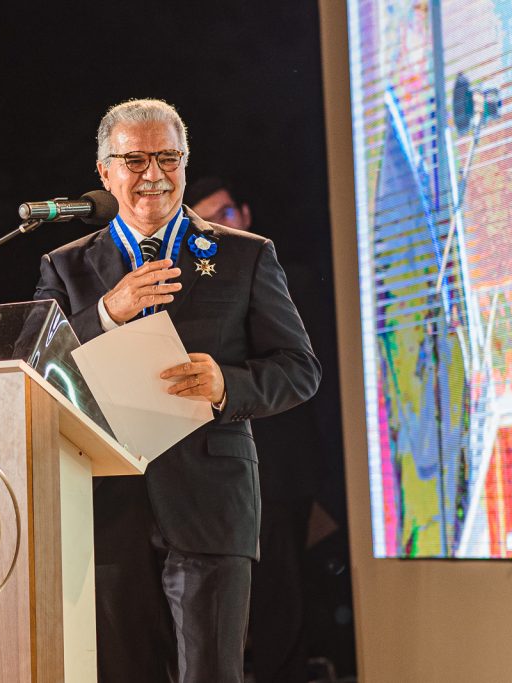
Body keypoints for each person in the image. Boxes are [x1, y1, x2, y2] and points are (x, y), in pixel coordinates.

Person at [34, 98, 320, 683]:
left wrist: (227, 385)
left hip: (210, 503)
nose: (154, 175)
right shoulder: (67, 266)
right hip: (105, 506)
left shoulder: (246, 254)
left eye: (168, 158)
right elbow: (37, 370)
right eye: (135, 161)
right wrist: (106, 313)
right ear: (105, 173)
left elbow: (299, 368)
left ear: (185, 163)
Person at [186, 176, 330, 683]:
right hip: (216, 464)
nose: (217, 225)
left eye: (225, 213)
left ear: (244, 214)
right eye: (205, 219)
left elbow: (305, 368)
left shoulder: (278, 271)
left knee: (282, 590)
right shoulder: (193, 285)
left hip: (283, 462)